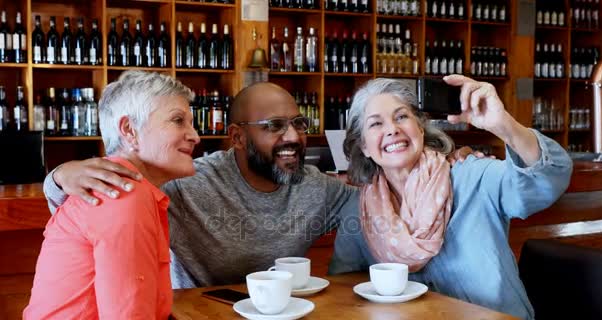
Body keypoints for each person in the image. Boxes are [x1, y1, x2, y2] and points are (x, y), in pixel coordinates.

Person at [42, 82, 476, 289]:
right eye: (273, 127)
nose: (292, 137)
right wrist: (60, 176)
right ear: (236, 138)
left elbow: (380, 199)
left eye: (297, 124)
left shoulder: (316, 187)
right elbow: (92, 211)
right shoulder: (187, 182)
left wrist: (443, 160)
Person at [328, 75, 573, 320]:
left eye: (402, 116)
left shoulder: (471, 176)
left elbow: (550, 178)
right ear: (364, 147)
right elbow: (344, 286)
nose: (392, 129)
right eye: (376, 124)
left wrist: (504, 126)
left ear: (421, 127)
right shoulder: (359, 212)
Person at [24, 71, 200, 319]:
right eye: (178, 120)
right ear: (130, 130)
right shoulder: (124, 194)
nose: (195, 136)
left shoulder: (129, 189)